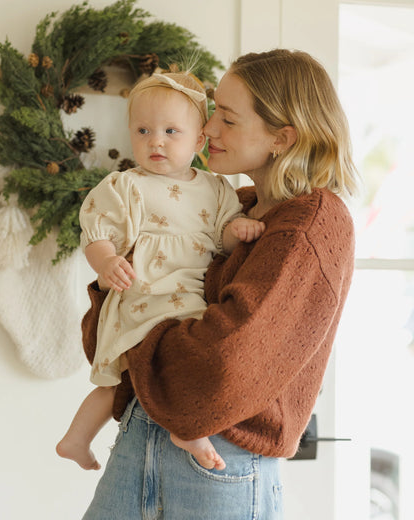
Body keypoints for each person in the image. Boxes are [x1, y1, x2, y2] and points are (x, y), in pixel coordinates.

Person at [80, 49, 358, 520]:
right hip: (141, 433)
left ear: (281, 137)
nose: (207, 130)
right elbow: (101, 326)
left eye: (226, 119)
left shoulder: (310, 226)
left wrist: (136, 339)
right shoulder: (230, 208)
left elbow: (221, 365)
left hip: (219, 460)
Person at [56, 72, 264, 472]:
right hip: (144, 290)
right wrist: (106, 262)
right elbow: (97, 231)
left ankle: (75, 439)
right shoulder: (125, 185)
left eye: (171, 131)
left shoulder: (217, 188)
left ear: (199, 141)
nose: (156, 141)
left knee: (129, 376)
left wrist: (239, 231)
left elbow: (223, 242)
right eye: (144, 130)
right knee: (151, 366)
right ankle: (186, 428)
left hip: (188, 291)